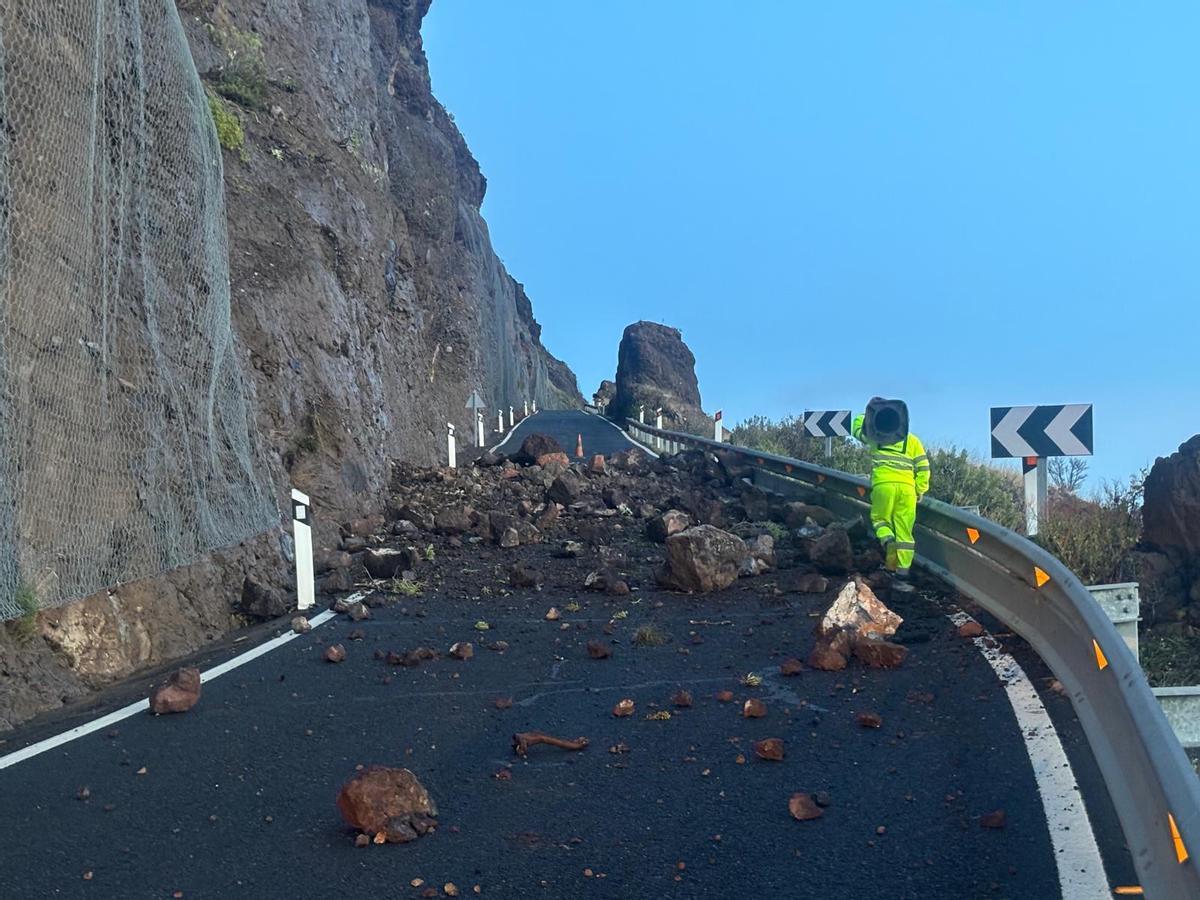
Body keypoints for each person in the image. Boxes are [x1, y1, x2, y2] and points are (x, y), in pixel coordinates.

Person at [850, 398, 931, 580]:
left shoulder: (874, 438)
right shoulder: (912, 441)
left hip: (883, 486)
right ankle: (902, 572)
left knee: (880, 520)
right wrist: (920, 489)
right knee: (905, 531)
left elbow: (855, 426)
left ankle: (888, 540)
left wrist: (870, 414)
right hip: (907, 490)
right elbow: (924, 468)